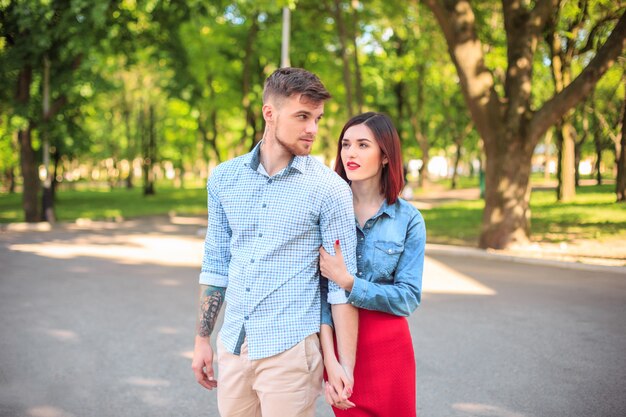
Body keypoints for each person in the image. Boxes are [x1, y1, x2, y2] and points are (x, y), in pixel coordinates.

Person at [191, 67, 359, 417]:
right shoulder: (224, 178)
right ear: (270, 113)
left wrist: (344, 364)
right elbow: (216, 262)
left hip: (291, 351)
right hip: (234, 344)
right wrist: (202, 339)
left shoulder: (330, 190)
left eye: (317, 118)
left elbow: (340, 287)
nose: (312, 128)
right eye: (302, 116)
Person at [319, 112, 426, 416]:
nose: (350, 153)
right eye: (346, 144)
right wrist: (331, 360)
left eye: (363, 145)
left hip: (390, 346)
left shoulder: (408, 219)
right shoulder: (327, 214)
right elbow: (318, 296)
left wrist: (350, 283)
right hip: (341, 343)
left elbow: (408, 297)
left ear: (384, 156)